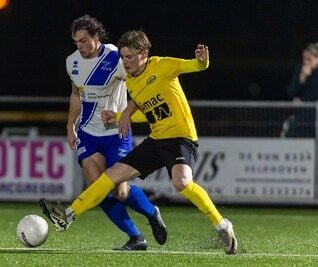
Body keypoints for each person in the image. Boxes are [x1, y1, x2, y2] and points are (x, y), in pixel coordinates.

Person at [40, 30, 238, 254]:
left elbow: (195, 66)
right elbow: (148, 113)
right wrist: (118, 116)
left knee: (181, 182)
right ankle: (69, 215)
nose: (125, 62)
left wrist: (203, 61)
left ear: (144, 53)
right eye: (123, 57)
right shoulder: (131, 81)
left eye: (130, 57)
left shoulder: (162, 65)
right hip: (155, 140)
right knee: (111, 177)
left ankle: (221, 225)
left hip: (180, 138)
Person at [40, 16, 167, 251]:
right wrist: (70, 126)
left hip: (115, 134)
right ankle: (136, 238)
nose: (80, 46)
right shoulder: (72, 62)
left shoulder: (115, 57)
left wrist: (127, 113)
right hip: (87, 133)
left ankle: (151, 212)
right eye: (76, 41)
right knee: (98, 189)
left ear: (96, 37)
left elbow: (139, 86)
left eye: (84, 40)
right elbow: (76, 95)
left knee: (120, 191)